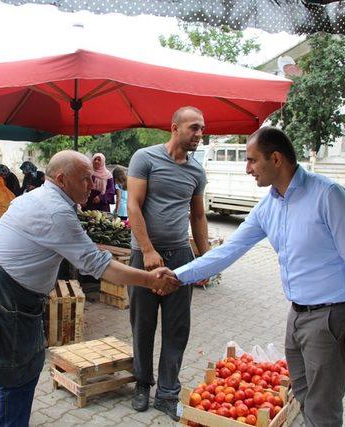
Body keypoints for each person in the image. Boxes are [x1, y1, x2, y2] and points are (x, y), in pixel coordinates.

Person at [0, 150, 180, 427]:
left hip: (18, 305)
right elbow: (97, 264)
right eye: (85, 179)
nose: (92, 185)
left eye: (92, 178)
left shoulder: (46, 200)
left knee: (23, 375)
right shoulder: (54, 210)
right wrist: (150, 280)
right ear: (62, 179)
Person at [173, 127, 345, 426]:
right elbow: (228, 251)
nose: (247, 169)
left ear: (277, 159)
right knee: (304, 397)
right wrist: (178, 276)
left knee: (323, 409)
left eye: (252, 160)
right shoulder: (269, 206)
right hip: (296, 316)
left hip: (330, 318)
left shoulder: (328, 195)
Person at [127, 106, 209, 421]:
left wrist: (205, 261)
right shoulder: (145, 158)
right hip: (144, 257)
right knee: (143, 323)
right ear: (174, 127)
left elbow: (198, 215)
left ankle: (167, 393)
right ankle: (142, 383)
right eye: (194, 128)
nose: (199, 135)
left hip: (180, 258)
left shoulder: (196, 171)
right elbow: (133, 205)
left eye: (202, 129)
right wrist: (147, 250)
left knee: (177, 328)